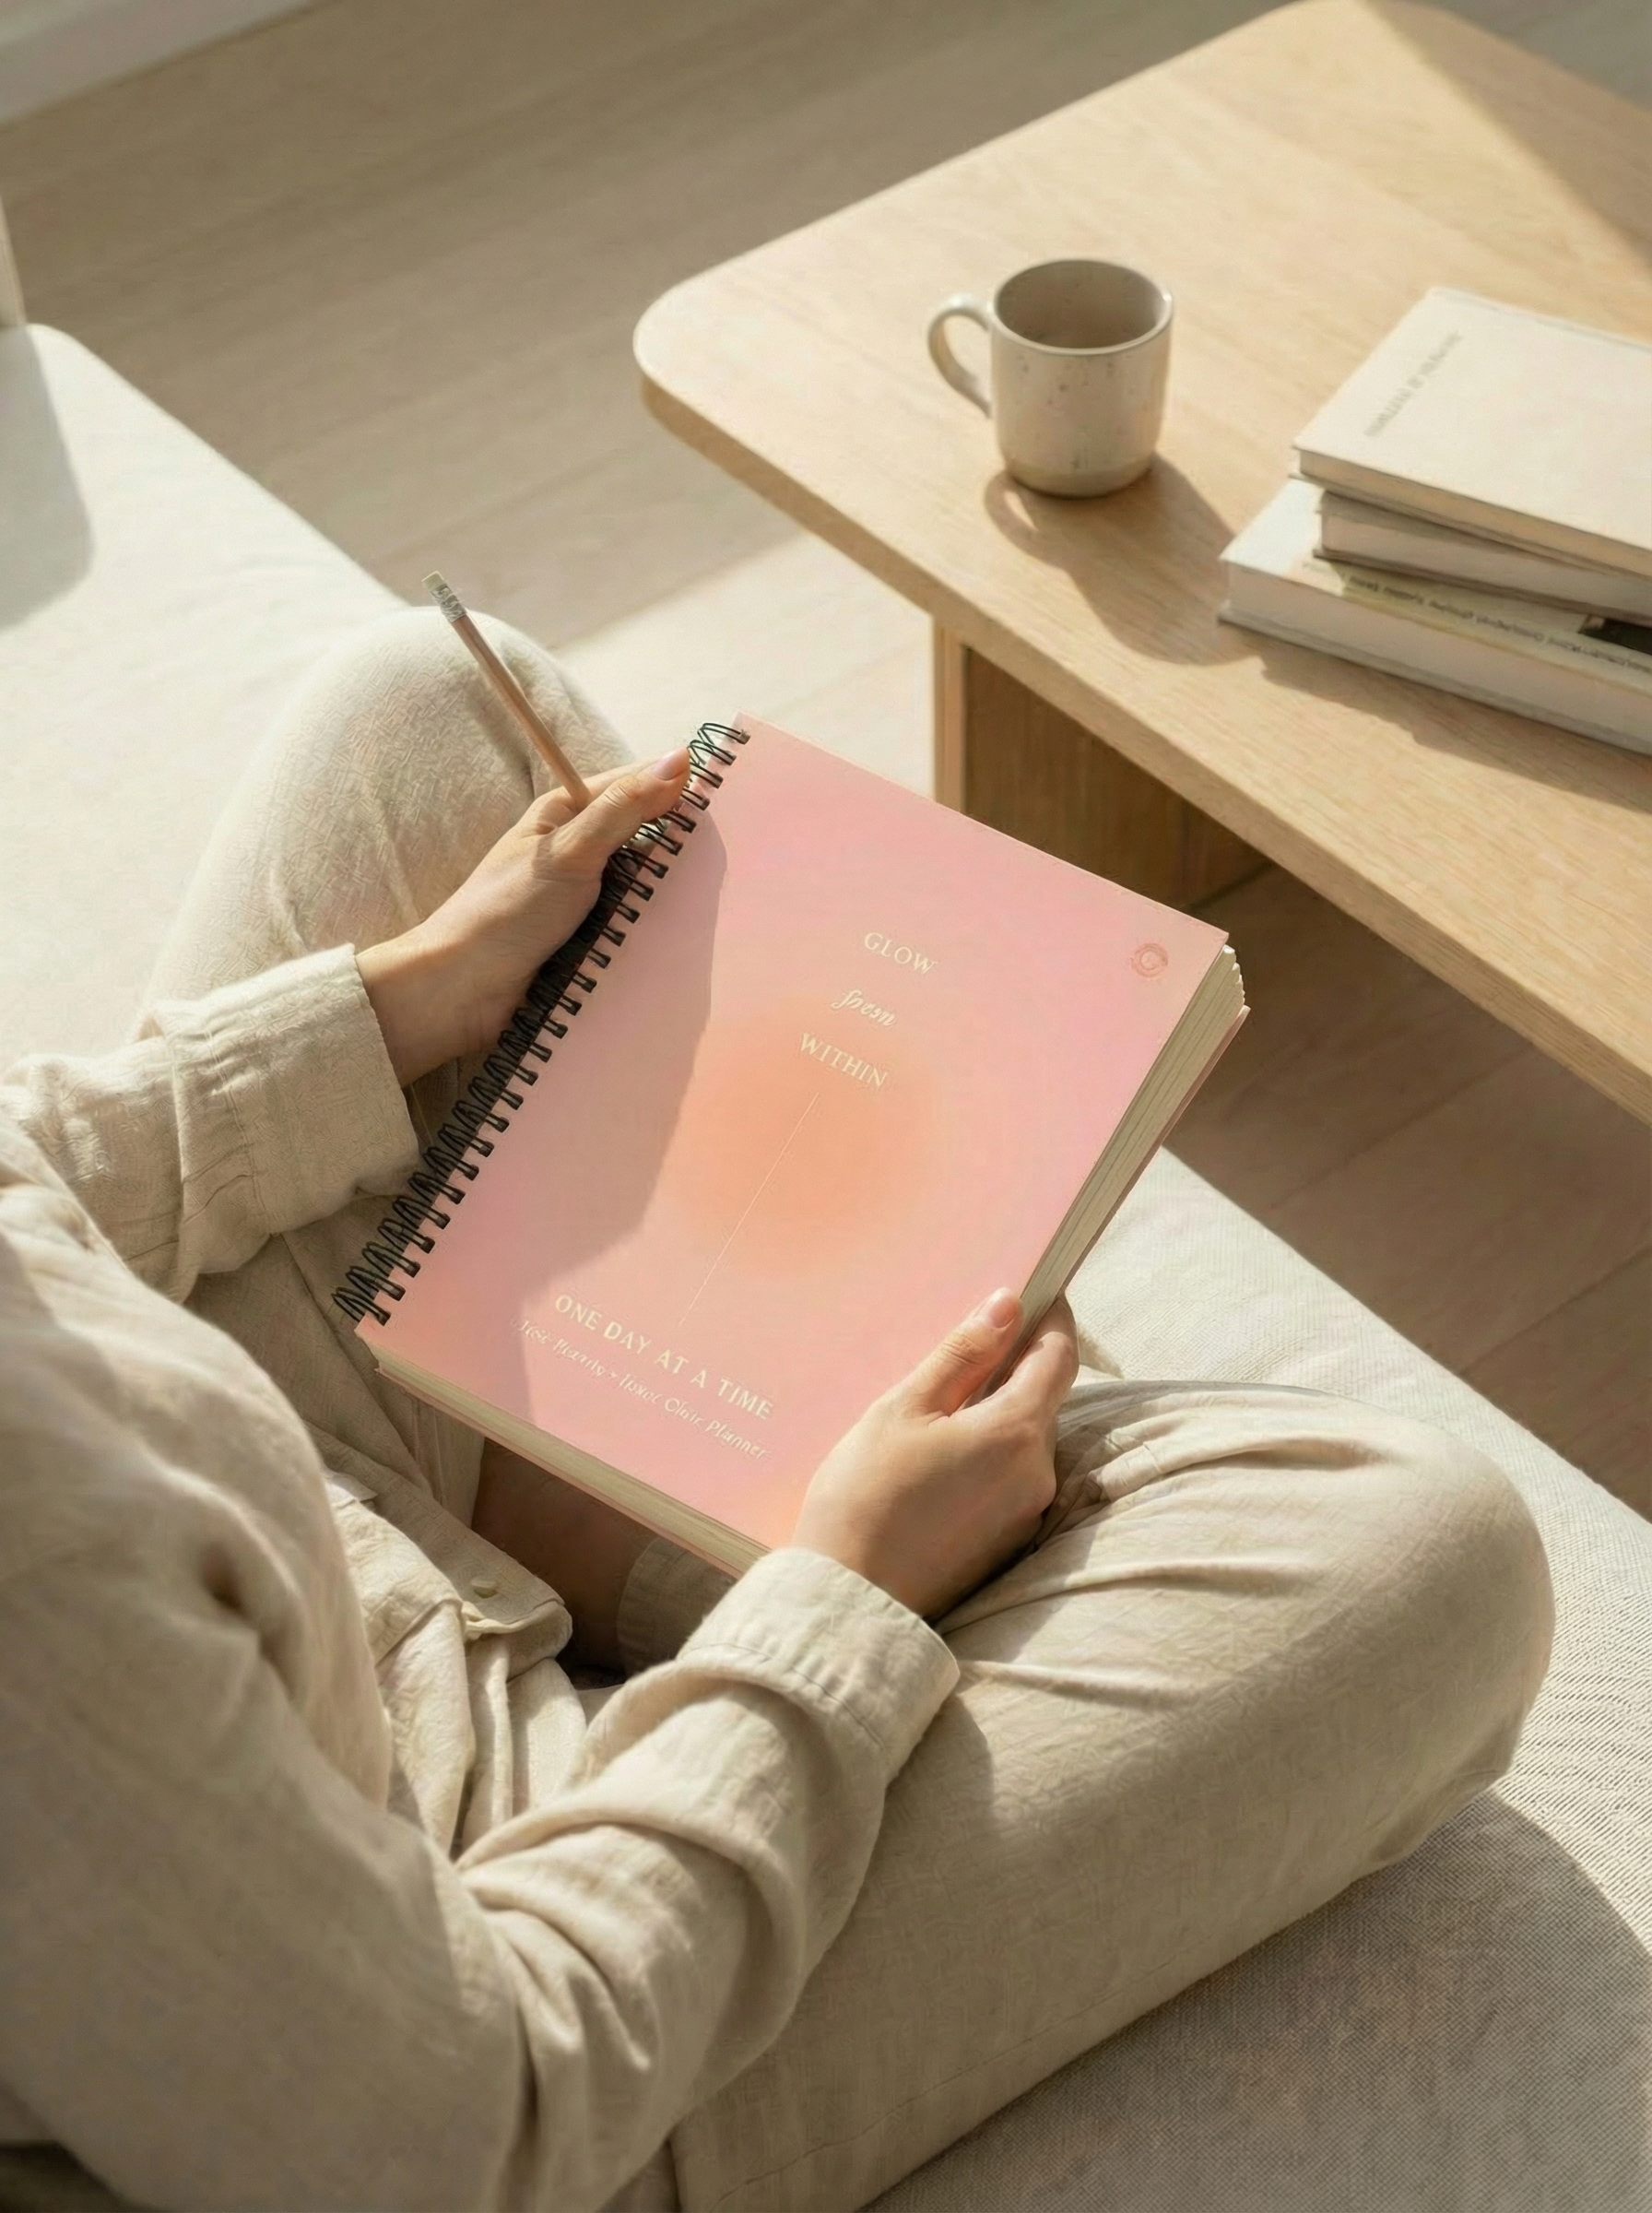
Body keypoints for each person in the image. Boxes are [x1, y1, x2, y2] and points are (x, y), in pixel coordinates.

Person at [0, 609, 1552, 2213]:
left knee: (439, 708)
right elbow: (459, 2138)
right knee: (1427, 1555)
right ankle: (687, 1533)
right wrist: (845, 1603)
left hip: (252, 1511)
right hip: (498, 1965)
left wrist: (401, 1006)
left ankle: (596, 1494)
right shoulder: (41, 1585)